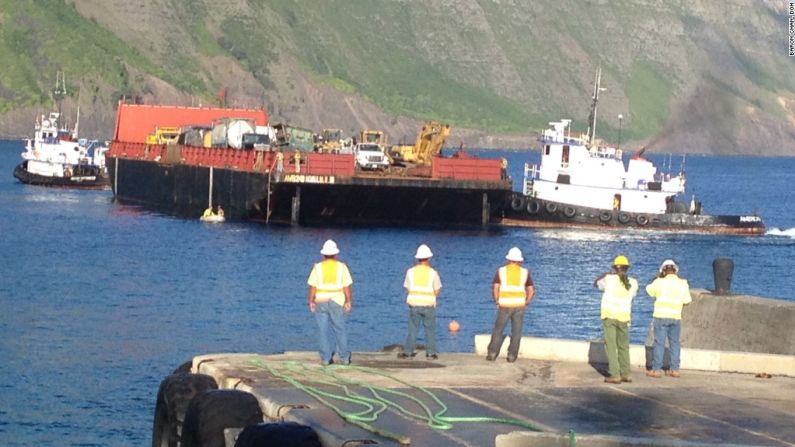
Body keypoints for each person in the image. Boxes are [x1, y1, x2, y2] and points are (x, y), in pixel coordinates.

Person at [307, 240, 353, 365]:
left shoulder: (317, 267)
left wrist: (311, 301)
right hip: (337, 300)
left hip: (321, 300)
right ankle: (344, 357)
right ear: (335, 254)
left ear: (324, 254)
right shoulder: (342, 267)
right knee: (340, 329)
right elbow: (346, 286)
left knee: (322, 330)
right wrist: (348, 301)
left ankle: (326, 358)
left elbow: (313, 286)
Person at [594, 255, 639, 384]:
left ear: (614, 268)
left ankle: (615, 374)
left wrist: (604, 274)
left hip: (609, 316)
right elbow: (634, 293)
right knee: (623, 346)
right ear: (627, 268)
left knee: (611, 346)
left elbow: (596, 284)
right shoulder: (633, 282)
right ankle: (626, 373)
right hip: (624, 317)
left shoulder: (608, 279)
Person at [486, 247, 536, 363]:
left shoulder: (501, 271)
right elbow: (531, 289)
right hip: (519, 305)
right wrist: (527, 302)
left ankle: (492, 353)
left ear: (508, 259)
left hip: (504, 304)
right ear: (520, 261)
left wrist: (497, 300)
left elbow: (496, 287)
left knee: (498, 329)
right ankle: (512, 356)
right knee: (517, 331)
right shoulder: (525, 272)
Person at [645, 259, 692, 378]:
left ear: (664, 271)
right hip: (675, 316)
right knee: (675, 343)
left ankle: (656, 370)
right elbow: (687, 301)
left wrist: (657, 277)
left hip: (660, 316)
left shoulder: (659, 282)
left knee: (659, 343)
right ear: (675, 270)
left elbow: (648, 291)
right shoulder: (683, 283)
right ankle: (674, 369)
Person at [398, 244, 442, 360]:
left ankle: (408, 353)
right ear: (428, 258)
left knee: (413, 329)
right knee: (430, 330)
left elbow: (407, 288)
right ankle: (431, 353)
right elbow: (437, 290)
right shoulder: (433, 273)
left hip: (414, 304)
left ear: (417, 258)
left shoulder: (410, 272)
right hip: (428, 304)